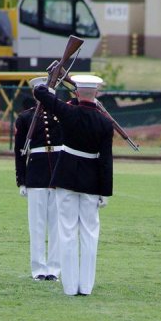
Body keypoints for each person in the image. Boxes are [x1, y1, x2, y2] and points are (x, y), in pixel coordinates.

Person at [33, 74, 114, 296]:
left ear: (77, 93)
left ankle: (70, 287)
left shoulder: (68, 111)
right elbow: (106, 160)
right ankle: (85, 287)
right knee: (89, 234)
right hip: (92, 180)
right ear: (96, 93)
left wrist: (50, 86)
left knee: (67, 231)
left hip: (66, 175)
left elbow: (39, 93)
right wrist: (105, 191)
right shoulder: (105, 122)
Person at [14, 77, 62, 282]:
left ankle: (54, 268)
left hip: (59, 172)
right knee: (37, 224)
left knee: (57, 225)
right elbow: (20, 152)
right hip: (36, 173)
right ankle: (38, 269)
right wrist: (21, 179)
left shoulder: (63, 114)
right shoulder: (26, 118)